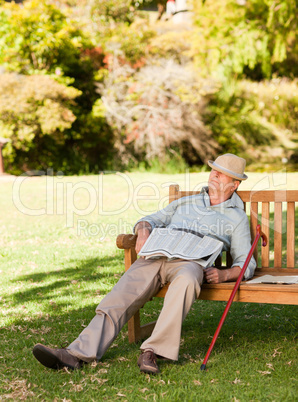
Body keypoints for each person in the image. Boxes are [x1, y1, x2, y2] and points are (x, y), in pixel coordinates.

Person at [33, 153, 256, 374]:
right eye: (213, 170)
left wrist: (225, 275)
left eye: (222, 174)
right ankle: (76, 354)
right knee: (120, 295)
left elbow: (246, 262)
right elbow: (150, 219)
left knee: (188, 279)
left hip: (189, 263)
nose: (214, 175)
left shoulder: (236, 218)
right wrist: (142, 231)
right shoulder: (185, 202)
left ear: (234, 185)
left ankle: (152, 351)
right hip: (156, 254)